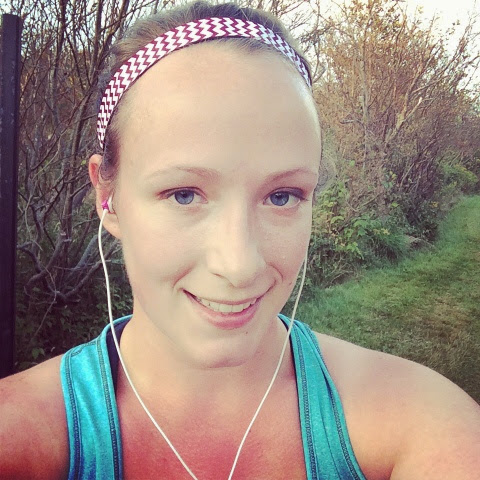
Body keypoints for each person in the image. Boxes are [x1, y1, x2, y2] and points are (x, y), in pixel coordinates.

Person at [1, 1, 479, 479]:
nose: (240, 265)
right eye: (184, 195)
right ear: (107, 196)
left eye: (282, 196)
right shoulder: (19, 433)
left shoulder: (418, 419)